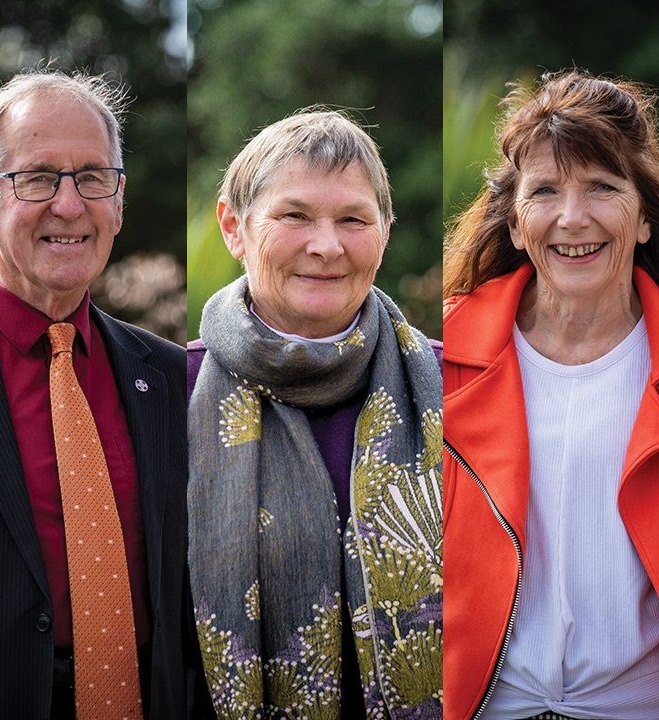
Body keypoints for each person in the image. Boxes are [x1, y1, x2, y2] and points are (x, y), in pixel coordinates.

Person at [0, 69, 201, 719]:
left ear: (118, 200)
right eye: (38, 178)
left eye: (91, 177)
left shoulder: (170, 377)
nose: (70, 204)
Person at [443, 70, 659, 720]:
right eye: (546, 191)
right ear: (515, 223)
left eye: (603, 188)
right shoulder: (437, 357)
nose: (572, 216)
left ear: (644, 219)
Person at [187, 109, 444, 717]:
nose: (326, 246)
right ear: (233, 226)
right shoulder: (172, 392)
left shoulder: (453, 385)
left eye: (353, 219)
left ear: (384, 232)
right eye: (294, 216)